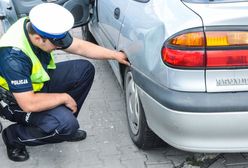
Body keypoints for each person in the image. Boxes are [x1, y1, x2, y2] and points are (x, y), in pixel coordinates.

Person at [0, 3, 130, 162]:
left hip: (37, 85)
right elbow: (28, 103)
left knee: (84, 70)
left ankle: (60, 124)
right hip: (16, 102)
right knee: (66, 125)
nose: (59, 47)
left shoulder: (37, 26)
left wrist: (115, 55)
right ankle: (15, 136)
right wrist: (63, 97)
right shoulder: (13, 58)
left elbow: (80, 47)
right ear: (38, 39)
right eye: (56, 44)